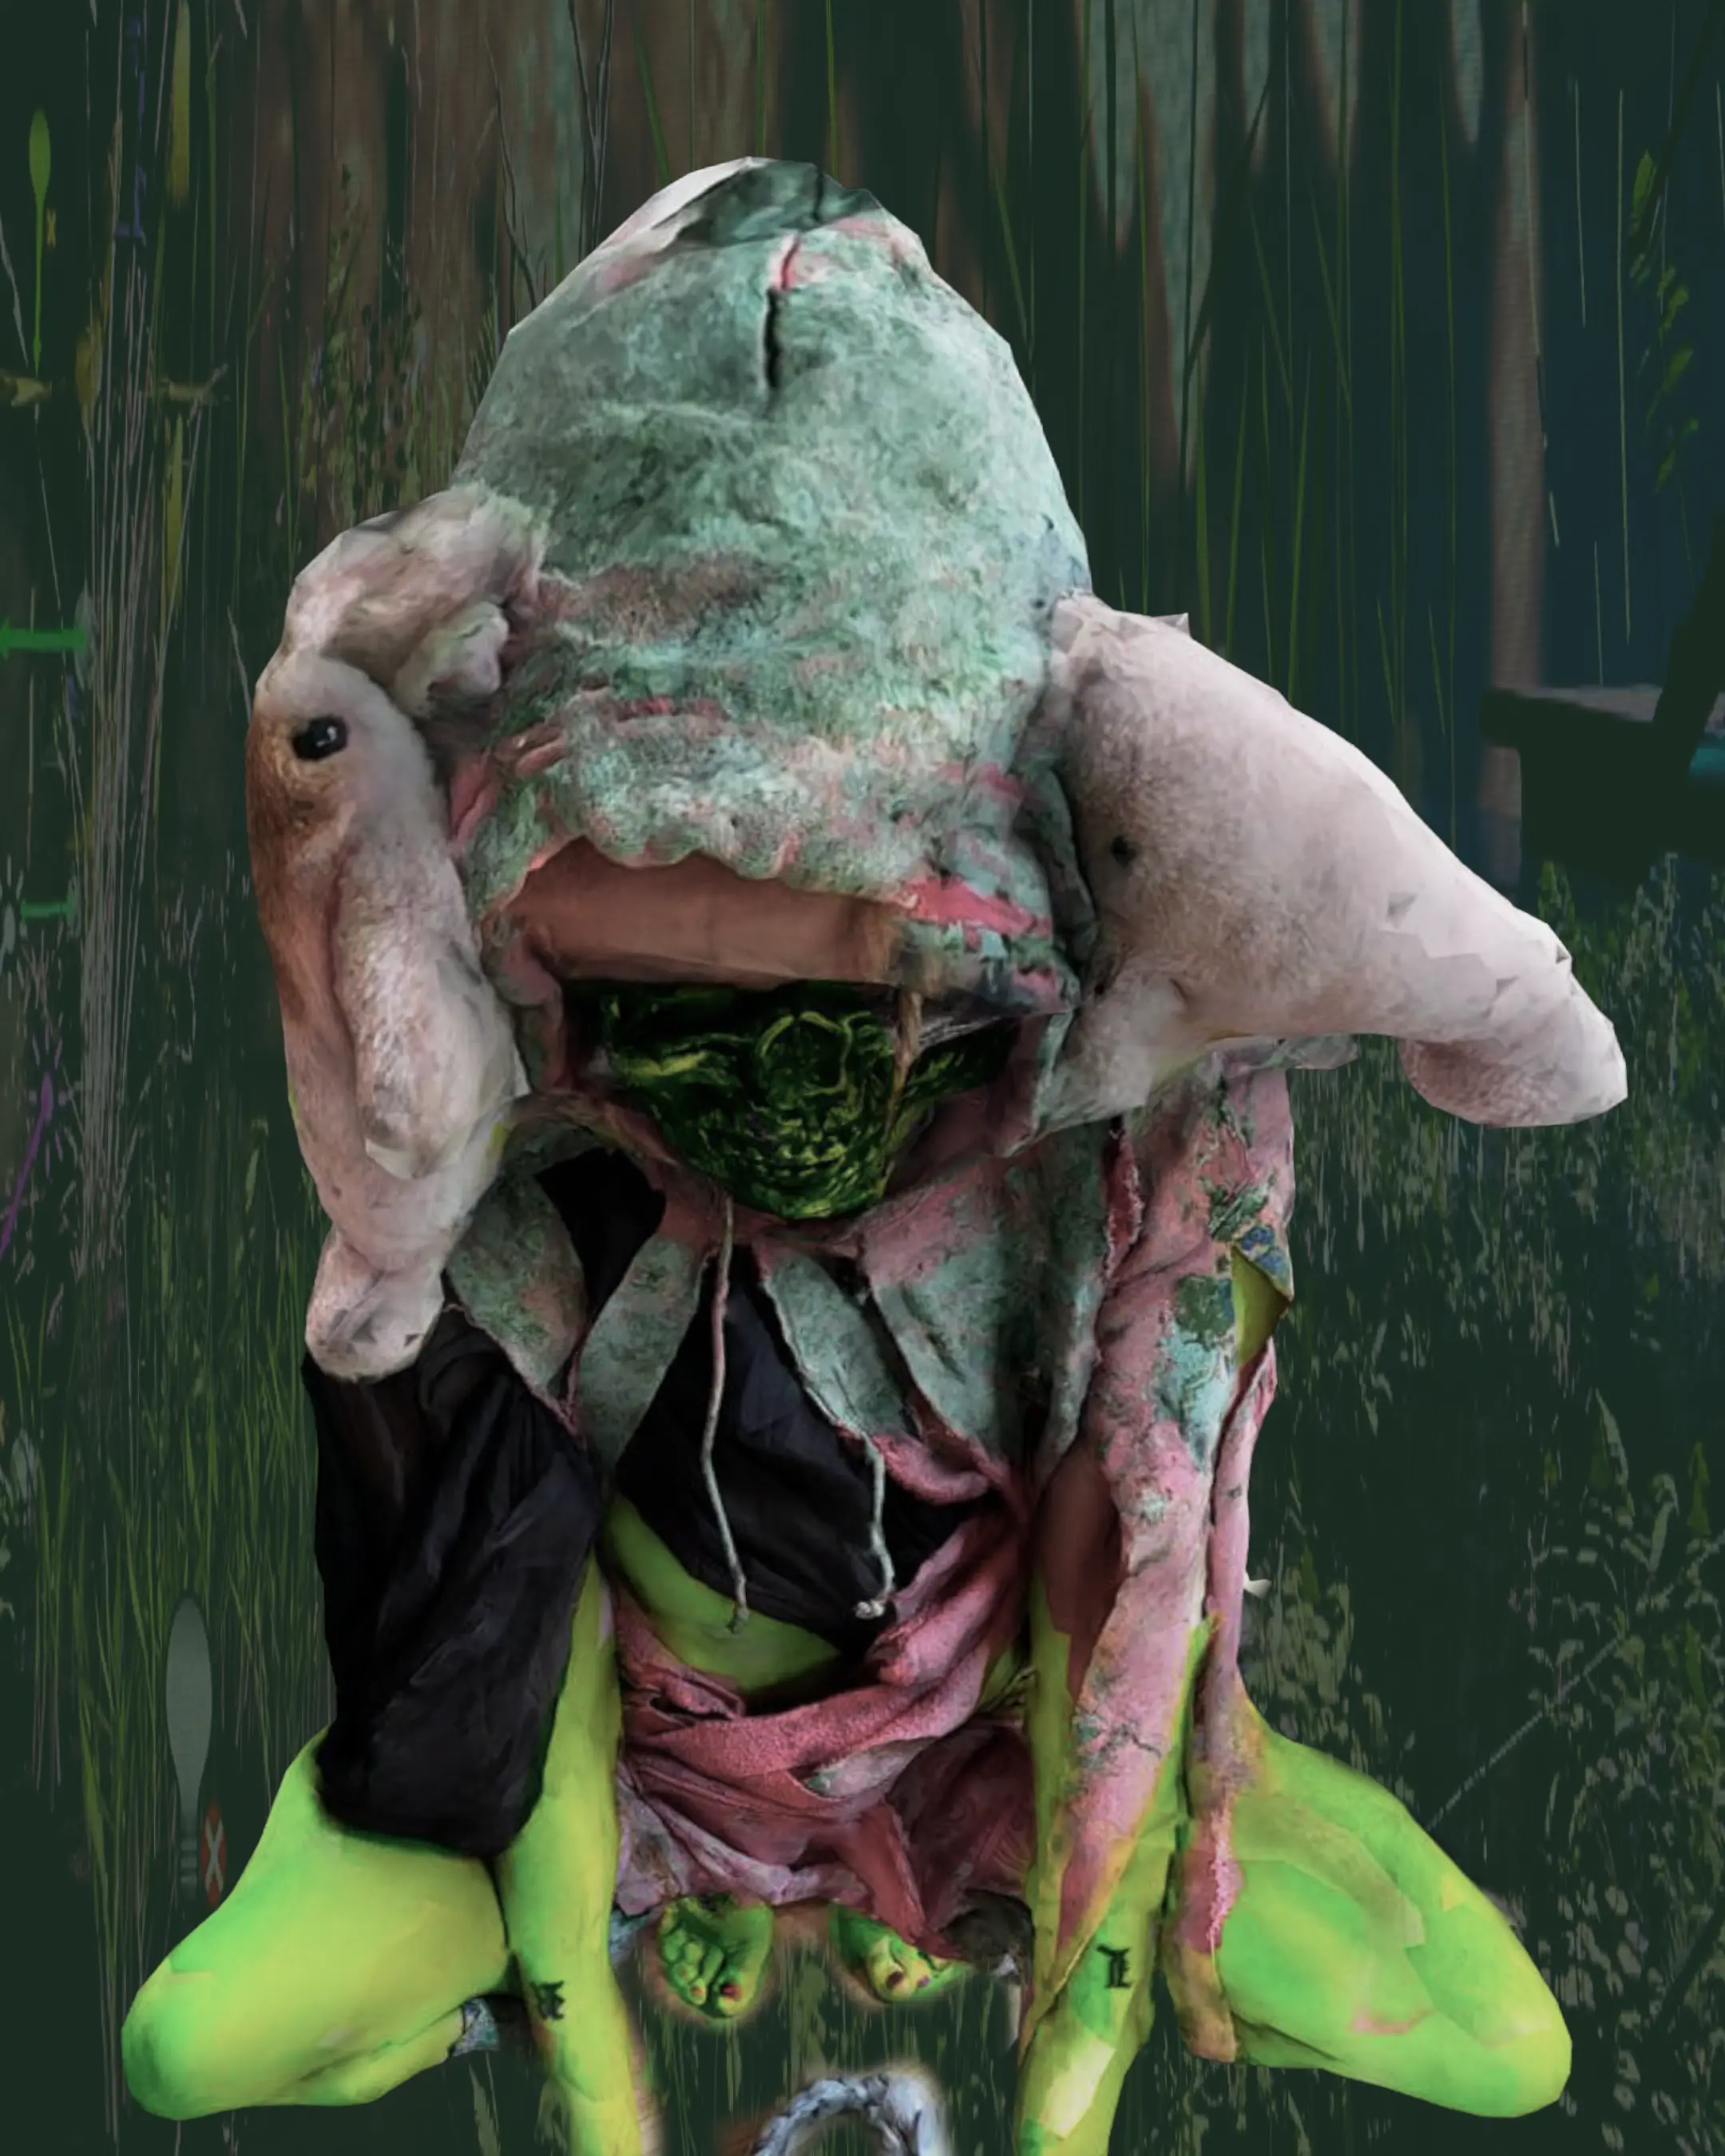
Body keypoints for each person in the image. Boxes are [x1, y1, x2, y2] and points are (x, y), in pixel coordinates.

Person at [124, 159, 1620, 2154]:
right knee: (191, 2044)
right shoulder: (523, 1163)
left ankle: (904, 1905)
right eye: (666, 983)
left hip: (970, 1752)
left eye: (874, 979)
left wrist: (1076, 2059)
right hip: (642, 1777)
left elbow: (1125, 1553)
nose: (779, 1072)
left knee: (1495, 2039)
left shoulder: (1111, 1152)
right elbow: (537, 1630)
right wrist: (593, 2066)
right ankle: (594, 1952)